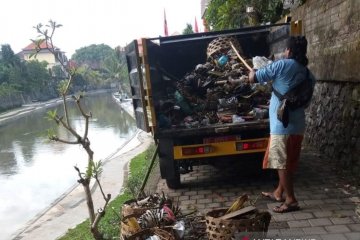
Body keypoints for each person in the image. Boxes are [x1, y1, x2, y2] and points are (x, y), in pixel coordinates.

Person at [248, 36, 315, 213]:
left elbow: (253, 78)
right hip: (298, 126)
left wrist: (253, 69)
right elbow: (305, 103)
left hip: (281, 126)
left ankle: (291, 200)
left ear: (289, 51)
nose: (285, 52)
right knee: (288, 162)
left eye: (286, 50)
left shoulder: (282, 65)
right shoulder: (309, 74)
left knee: (280, 163)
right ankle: (279, 192)